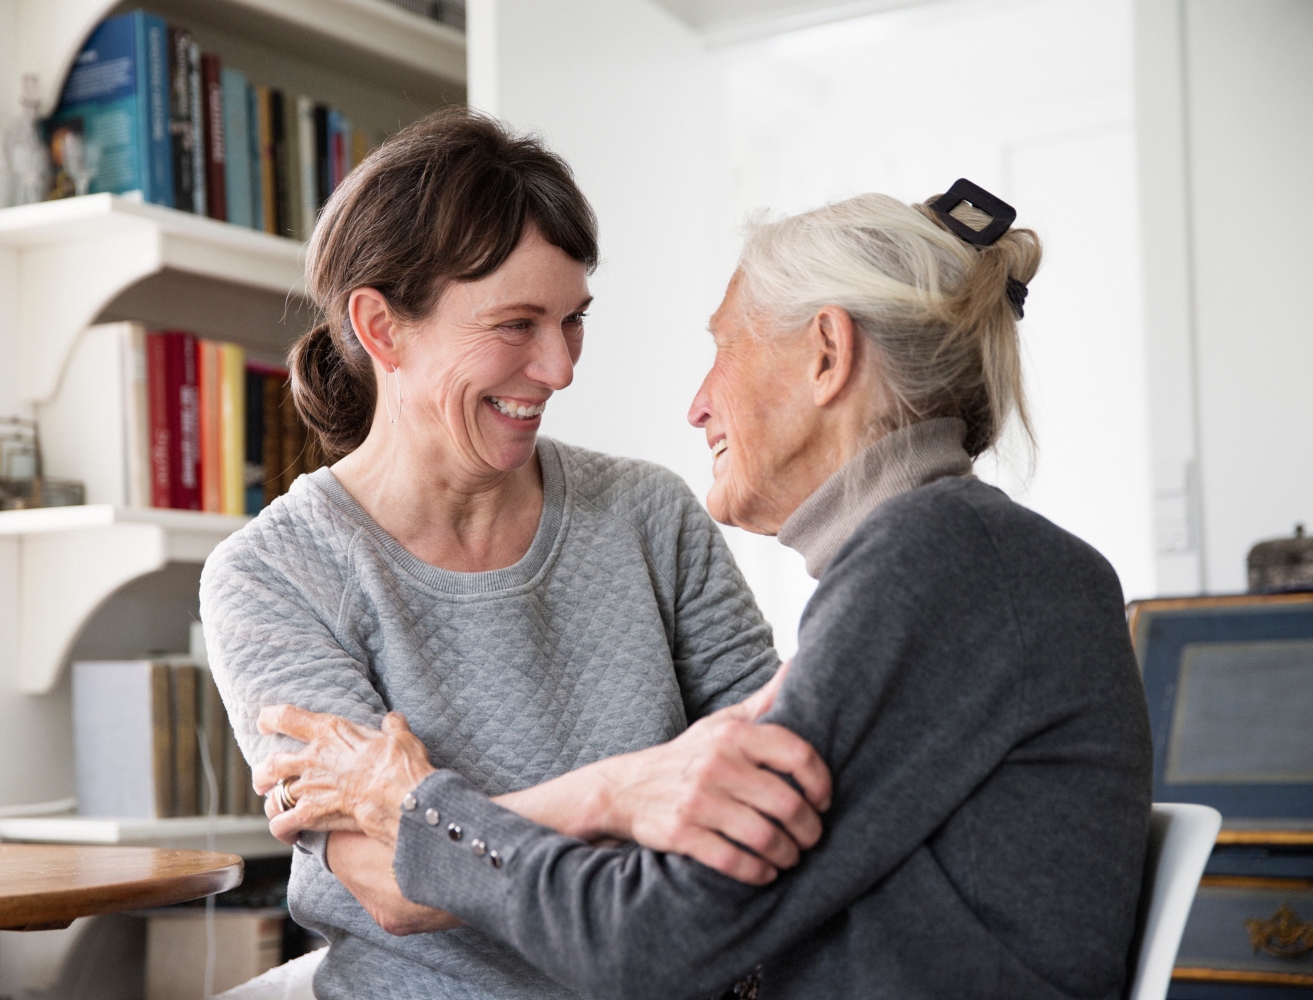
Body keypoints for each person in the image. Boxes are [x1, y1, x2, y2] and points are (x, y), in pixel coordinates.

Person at [255, 183, 1156, 1000]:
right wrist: (625, 793)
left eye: (724, 348)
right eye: (516, 325)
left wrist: (409, 806)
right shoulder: (955, 556)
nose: (696, 403)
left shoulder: (940, 558)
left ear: (826, 354)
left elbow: (648, 937)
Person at [200, 108, 831, 1000]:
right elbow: (386, 884)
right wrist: (624, 794)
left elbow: (765, 790)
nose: (560, 367)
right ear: (382, 328)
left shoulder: (648, 514)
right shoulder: (276, 573)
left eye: (573, 320)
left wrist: (425, 814)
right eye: (515, 324)